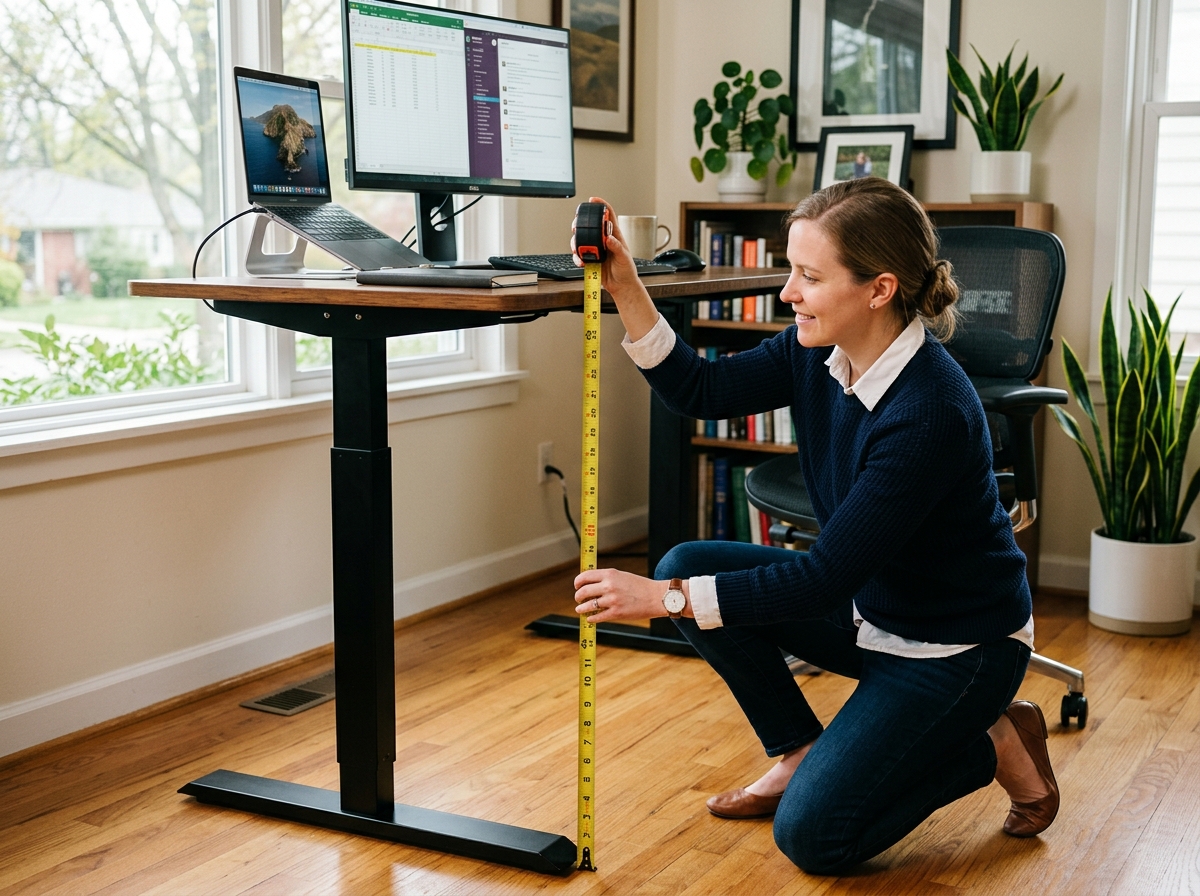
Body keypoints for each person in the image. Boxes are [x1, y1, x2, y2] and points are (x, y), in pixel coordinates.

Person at [569, 178, 1060, 875]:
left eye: (807, 276)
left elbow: (822, 575)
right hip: (870, 612)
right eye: (791, 271)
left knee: (815, 839)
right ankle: (800, 752)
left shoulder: (929, 410)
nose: (787, 293)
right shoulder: (815, 349)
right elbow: (700, 392)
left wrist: (664, 601)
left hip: (954, 647)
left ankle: (994, 741)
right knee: (685, 561)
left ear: (879, 289)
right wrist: (624, 286)